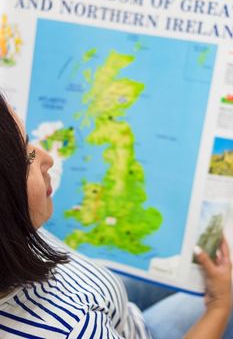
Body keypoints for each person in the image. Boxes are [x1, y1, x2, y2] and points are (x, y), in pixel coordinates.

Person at [0, 91, 232, 339]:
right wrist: (219, 306)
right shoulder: (74, 329)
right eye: (27, 160)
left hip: (116, 308)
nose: (48, 158)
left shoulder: (12, 240)